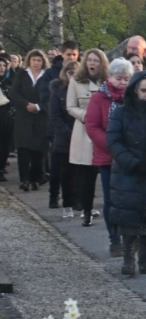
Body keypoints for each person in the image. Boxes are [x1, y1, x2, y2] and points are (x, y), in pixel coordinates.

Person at [107, 71, 146, 276]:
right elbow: (114, 141)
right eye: (143, 90)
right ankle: (128, 259)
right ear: (135, 90)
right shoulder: (120, 113)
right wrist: (132, 163)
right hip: (127, 173)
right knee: (128, 219)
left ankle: (145, 259)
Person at [84, 58, 132, 255]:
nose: (122, 83)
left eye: (126, 79)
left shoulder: (133, 97)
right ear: (110, 77)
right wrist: (113, 146)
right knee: (111, 200)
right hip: (108, 156)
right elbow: (92, 126)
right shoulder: (99, 98)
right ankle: (114, 238)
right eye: (119, 78)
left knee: (130, 200)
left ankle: (130, 237)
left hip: (130, 156)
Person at [67, 48, 109, 228]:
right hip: (84, 131)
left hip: (105, 130)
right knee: (87, 175)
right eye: (90, 60)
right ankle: (86, 210)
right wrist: (88, 116)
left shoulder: (107, 81)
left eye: (96, 60)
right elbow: (70, 106)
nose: (92, 63)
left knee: (107, 174)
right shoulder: (76, 81)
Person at [10, 48, 50, 190]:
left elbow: (51, 96)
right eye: (34, 60)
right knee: (23, 149)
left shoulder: (47, 76)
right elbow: (14, 93)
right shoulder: (22, 74)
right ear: (29, 60)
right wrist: (26, 104)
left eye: (39, 60)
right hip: (24, 115)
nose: (36, 63)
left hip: (40, 117)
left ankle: (36, 178)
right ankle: (24, 179)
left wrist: (38, 106)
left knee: (38, 149)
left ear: (43, 62)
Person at [48, 59, 78, 214]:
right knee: (58, 169)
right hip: (62, 135)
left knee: (74, 170)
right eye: (70, 72)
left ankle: (73, 199)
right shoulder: (57, 91)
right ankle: (53, 196)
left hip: (78, 133)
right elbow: (55, 115)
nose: (73, 76)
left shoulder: (81, 90)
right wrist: (66, 131)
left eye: (76, 73)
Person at [0, 54, 12, 181]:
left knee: (4, 144)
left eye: (4, 65)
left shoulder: (9, 82)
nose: (2, 68)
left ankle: (1, 168)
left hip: (5, 116)